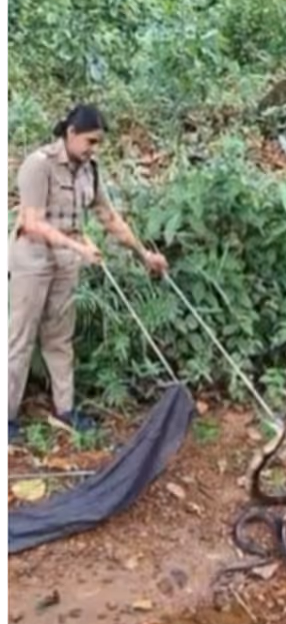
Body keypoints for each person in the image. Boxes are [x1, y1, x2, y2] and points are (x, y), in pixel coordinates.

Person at [9, 104, 169, 441]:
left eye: (98, 143)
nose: (94, 149)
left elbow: (109, 218)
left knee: (60, 337)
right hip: (33, 260)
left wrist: (144, 255)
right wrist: (80, 248)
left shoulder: (89, 170)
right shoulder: (38, 166)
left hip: (66, 263)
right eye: (90, 141)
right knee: (21, 339)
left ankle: (65, 410)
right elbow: (32, 222)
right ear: (70, 133)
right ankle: (6, 417)